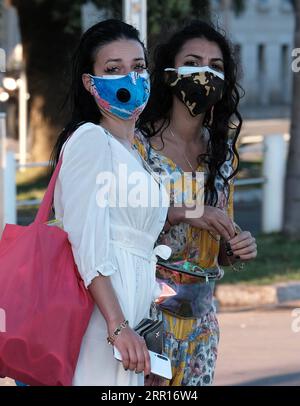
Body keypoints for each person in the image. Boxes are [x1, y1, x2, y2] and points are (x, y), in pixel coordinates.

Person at [136, 20, 257, 386]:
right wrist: (191, 212)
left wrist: (236, 247)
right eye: (193, 62)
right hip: (146, 319)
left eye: (216, 66)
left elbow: (219, 250)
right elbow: (121, 225)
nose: (205, 73)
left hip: (202, 328)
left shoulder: (221, 156)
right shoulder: (137, 147)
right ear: (171, 73)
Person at [50, 19, 170, 386]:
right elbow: (86, 239)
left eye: (137, 67)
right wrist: (118, 327)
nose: (130, 79)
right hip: (102, 321)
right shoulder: (90, 140)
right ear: (90, 82)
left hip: (131, 322)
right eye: (113, 69)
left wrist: (145, 337)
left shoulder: (132, 152)